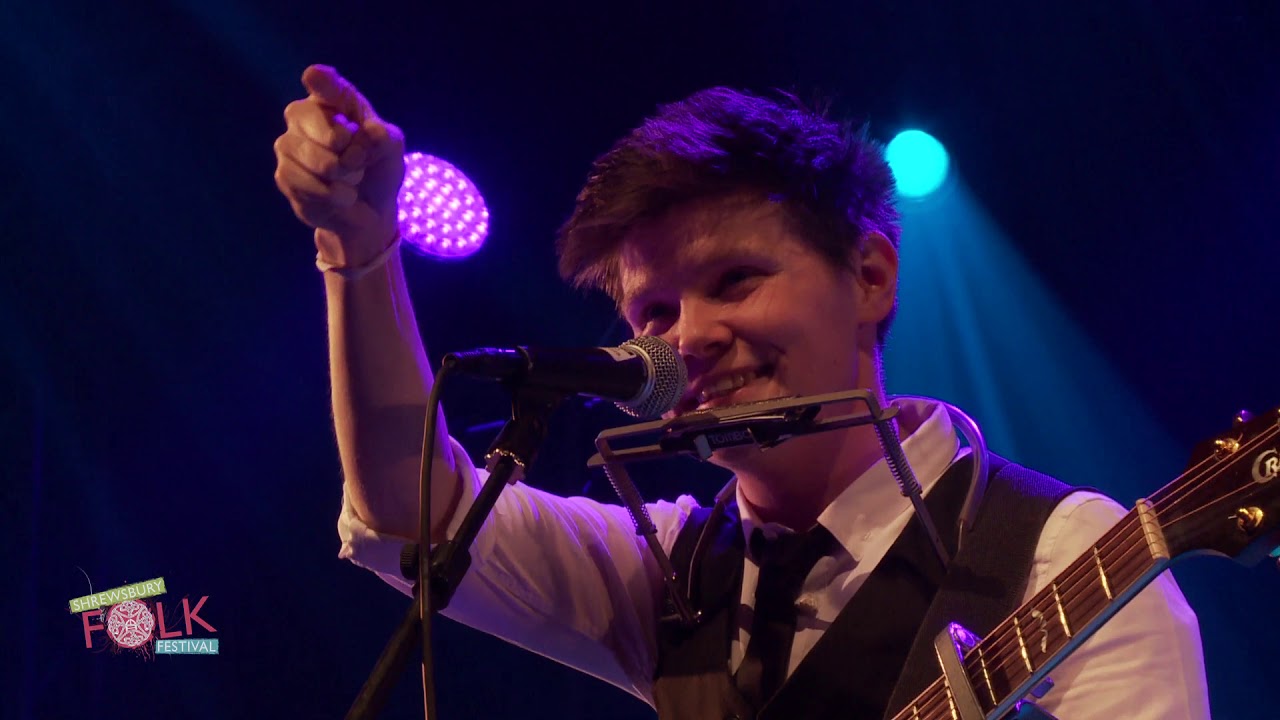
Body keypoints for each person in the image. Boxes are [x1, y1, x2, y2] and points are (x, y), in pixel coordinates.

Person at [273, 64, 1211, 719]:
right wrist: (357, 252)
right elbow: (410, 510)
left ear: (872, 276)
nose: (690, 339)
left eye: (735, 282)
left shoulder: (1069, 555)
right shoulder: (670, 569)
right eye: (653, 311)